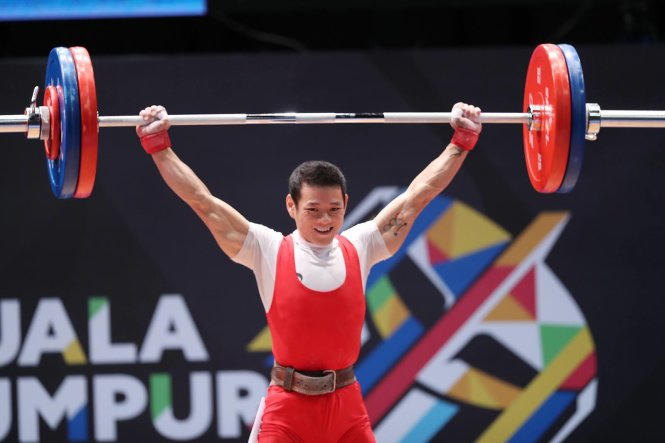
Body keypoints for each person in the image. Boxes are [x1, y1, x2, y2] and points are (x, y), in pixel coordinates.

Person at [136, 102, 482, 442]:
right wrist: (158, 147)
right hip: (287, 413)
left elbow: (418, 196)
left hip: (346, 410)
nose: (325, 220)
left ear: (346, 203)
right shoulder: (268, 249)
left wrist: (461, 142)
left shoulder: (361, 244)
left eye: (334, 209)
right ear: (291, 205)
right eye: (313, 210)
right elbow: (202, 201)